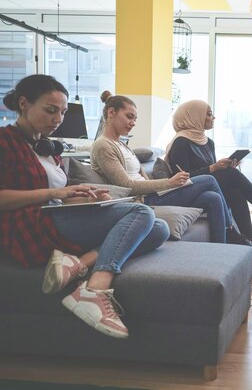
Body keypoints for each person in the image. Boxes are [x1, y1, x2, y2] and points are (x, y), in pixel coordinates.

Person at [0, 75, 170, 339]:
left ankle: (78, 263)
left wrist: (85, 198)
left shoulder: (48, 148)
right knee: (141, 212)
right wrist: (57, 192)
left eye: (63, 112)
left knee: (159, 229)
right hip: (30, 225)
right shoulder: (5, 141)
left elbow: (59, 199)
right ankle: (93, 289)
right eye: (51, 110)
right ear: (24, 103)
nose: (58, 119)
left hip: (56, 215)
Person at [91, 91, 252, 262]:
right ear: (111, 113)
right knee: (210, 180)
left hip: (152, 195)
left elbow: (144, 180)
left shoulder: (123, 146)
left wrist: (165, 186)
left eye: (135, 119)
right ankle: (236, 231)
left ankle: (221, 252)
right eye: (129, 117)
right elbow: (126, 185)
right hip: (140, 202)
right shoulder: (103, 146)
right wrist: (168, 183)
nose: (133, 123)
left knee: (212, 197)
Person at [164, 100, 252, 262]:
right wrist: (214, 168)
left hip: (209, 187)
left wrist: (225, 166)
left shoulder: (208, 142)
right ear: (194, 116)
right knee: (230, 176)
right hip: (188, 191)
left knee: (235, 190)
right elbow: (184, 177)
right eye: (208, 114)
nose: (213, 117)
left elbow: (212, 172)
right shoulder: (180, 142)